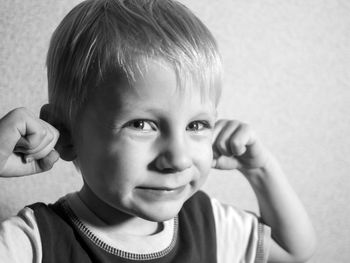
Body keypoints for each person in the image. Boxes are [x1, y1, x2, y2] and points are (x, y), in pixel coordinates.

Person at [0, 0, 316, 262]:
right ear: (65, 133)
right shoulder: (34, 242)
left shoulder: (209, 224)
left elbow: (292, 253)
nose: (178, 159)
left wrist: (261, 171)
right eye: (141, 125)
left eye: (196, 125)